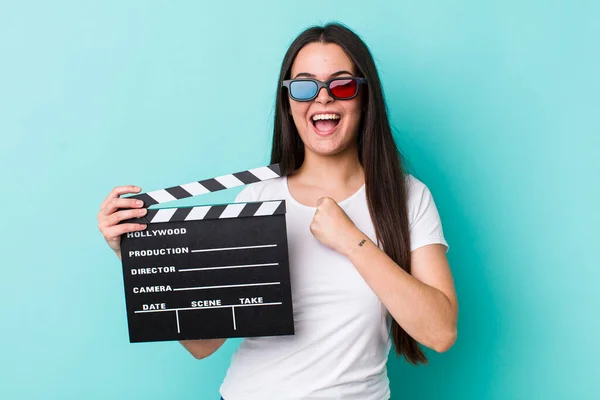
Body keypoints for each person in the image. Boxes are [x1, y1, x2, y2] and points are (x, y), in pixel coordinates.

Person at [97, 23, 458, 400]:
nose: (323, 99)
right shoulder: (257, 200)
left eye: (342, 85)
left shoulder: (407, 198)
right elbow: (203, 344)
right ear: (288, 101)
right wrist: (135, 255)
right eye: (304, 87)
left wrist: (353, 241)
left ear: (364, 97)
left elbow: (440, 332)